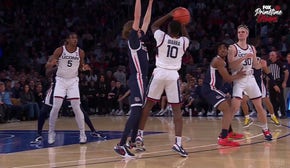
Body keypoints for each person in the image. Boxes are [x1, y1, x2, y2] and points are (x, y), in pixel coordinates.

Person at [135, 7, 190, 157]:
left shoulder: (162, 38)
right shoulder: (184, 42)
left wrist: (169, 15)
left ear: (168, 29)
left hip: (159, 73)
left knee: (148, 105)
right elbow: (186, 37)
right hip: (173, 76)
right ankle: (178, 143)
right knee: (177, 110)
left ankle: (139, 135)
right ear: (180, 31)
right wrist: (182, 22)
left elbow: (154, 26)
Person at [30, 56, 106, 144]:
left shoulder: (74, 57)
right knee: (44, 110)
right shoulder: (54, 58)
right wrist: (59, 67)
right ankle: (39, 134)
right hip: (57, 86)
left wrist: (84, 68)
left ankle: (93, 131)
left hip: (70, 87)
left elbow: (81, 69)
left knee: (80, 109)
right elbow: (47, 73)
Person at [113, 0, 153, 157]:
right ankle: (121, 144)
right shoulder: (133, 40)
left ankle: (132, 142)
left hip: (142, 79)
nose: (141, 29)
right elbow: (138, 17)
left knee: (140, 112)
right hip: (137, 78)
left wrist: (150, 3)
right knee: (136, 112)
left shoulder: (141, 40)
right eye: (137, 28)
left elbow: (146, 20)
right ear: (132, 30)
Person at [227, 25, 272, 141]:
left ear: (247, 34)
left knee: (259, 106)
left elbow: (255, 65)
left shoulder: (252, 48)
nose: (240, 33)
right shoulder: (232, 48)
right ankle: (225, 131)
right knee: (235, 107)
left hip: (250, 77)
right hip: (239, 78)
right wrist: (243, 57)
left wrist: (261, 64)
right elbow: (231, 65)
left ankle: (266, 130)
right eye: (239, 32)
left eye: (243, 32)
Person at [48, 32, 90, 144]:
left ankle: (82, 134)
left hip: (73, 81)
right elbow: (49, 64)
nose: (75, 39)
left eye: (76, 37)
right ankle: (51, 132)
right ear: (67, 39)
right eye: (72, 38)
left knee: (76, 107)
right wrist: (51, 63)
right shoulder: (60, 50)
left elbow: (81, 66)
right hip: (61, 80)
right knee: (56, 106)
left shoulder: (80, 52)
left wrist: (84, 68)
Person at [202, 42, 246, 146]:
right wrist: (238, 75)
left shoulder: (223, 61)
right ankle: (223, 137)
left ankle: (229, 132)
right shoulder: (218, 61)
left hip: (214, 89)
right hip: (210, 89)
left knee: (230, 106)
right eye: (221, 48)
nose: (223, 50)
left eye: (225, 48)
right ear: (218, 51)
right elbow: (227, 79)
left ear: (228, 51)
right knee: (227, 109)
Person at [242, 57, 281, 127]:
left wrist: (274, 85)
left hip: (259, 85)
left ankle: (273, 116)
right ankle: (247, 118)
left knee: (267, 101)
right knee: (243, 100)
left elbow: (268, 73)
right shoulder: (244, 61)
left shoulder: (259, 61)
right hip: (248, 84)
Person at [268, 51, 289, 119]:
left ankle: (283, 113)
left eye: (273, 55)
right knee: (272, 99)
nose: (271, 56)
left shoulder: (280, 63)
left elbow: (286, 72)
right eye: (270, 55)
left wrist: (284, 82)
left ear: (276, 56)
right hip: (271, 83)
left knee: (281, 99)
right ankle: (275, 113)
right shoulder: (268, 63)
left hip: (278, 82)